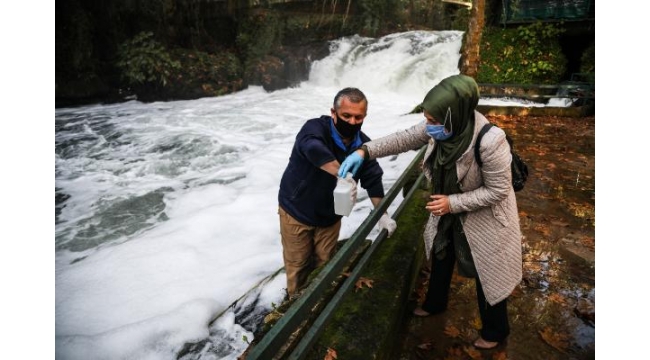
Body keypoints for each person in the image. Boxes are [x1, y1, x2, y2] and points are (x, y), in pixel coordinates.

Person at [338, 75, 522, 350]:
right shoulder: (442, 125)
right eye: (427, 119)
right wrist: (364, 151)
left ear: (455, 114)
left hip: (484, 218)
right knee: (441, 253)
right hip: (445, 208)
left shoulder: (490, 141)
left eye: (434, 121)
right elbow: (404, 139)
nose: (429, 126)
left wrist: (452, 204)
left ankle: (496, 331)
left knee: (487, 272)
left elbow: (499, 191)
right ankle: (435, 303)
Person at [278, 87, 397, 298]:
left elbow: (373, 180)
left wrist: (383, 214)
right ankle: (294, 309)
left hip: (330, 216)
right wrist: (342, 174)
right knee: (298, 265)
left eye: (358, 117)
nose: (352, 122)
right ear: (333, 113)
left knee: (326, 262)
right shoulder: (314, 128)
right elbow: (312, 148)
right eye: (346, 116)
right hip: (297, 211)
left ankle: (321, 302)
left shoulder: (363, 146)